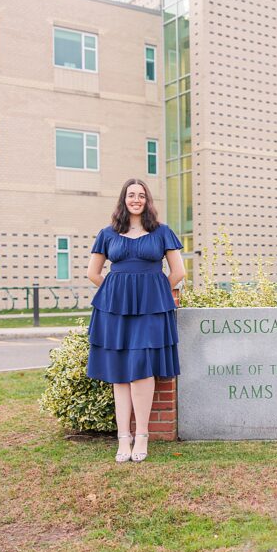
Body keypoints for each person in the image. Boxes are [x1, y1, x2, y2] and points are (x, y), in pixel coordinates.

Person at [86, 178, 185, 463]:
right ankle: (123, 439)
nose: (136, 199)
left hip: (150, 309)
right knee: (120, 370)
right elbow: (93, 273)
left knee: (142, 367)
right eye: (131, 194)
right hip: (116, 310)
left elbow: (178, 272)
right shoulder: (108, 233)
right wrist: (113, 295)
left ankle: (141, 435)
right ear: (124, 199)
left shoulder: (162, 232)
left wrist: (155, 294)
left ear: (147, 200)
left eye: (141, 195)